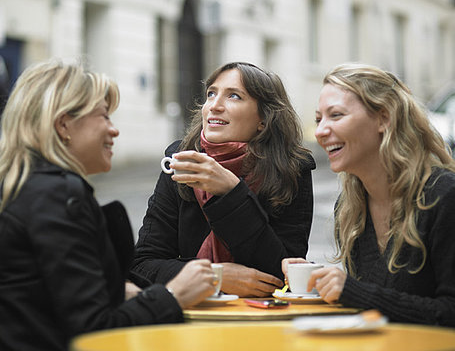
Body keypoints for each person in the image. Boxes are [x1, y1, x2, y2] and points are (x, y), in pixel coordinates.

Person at [0, 59, 217, 351]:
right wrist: (173, 295)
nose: (113, 130)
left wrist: (117, 290)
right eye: (104, 116)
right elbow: (95, 332)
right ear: (64, 124)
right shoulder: (58, 195)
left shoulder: (21, 186)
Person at [282, 63, 455, 326]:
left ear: (384, 119)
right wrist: (320, 281)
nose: (320, 131)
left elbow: (449, 312)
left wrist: (351, 291)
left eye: (336, 115)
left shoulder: (443, 196)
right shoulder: (350, 207)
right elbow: (376, 307)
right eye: (319, 119)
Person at [131, 61, 315, 297]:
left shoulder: (292, 169)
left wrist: (232, 192)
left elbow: (282, 273)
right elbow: (142, 265)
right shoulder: (180, 161)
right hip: (192, 315)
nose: (214, 106)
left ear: (263, 119)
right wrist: (214, 276)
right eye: (211, 94)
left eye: (234, 96)